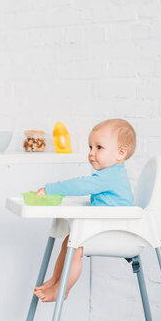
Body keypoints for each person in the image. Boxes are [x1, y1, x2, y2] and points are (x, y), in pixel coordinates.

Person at [33, 118, 136, 303]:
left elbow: (81, 185)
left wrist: (51, 189)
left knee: (76, 246)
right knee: (69, 240)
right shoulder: (109, 175)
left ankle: (62, 289)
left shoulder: (111, 176)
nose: (91, 153)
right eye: (90, 147)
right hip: (106, 226)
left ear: (120, 154)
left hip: (116, 231)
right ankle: (56, 280)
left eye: (99, 147)